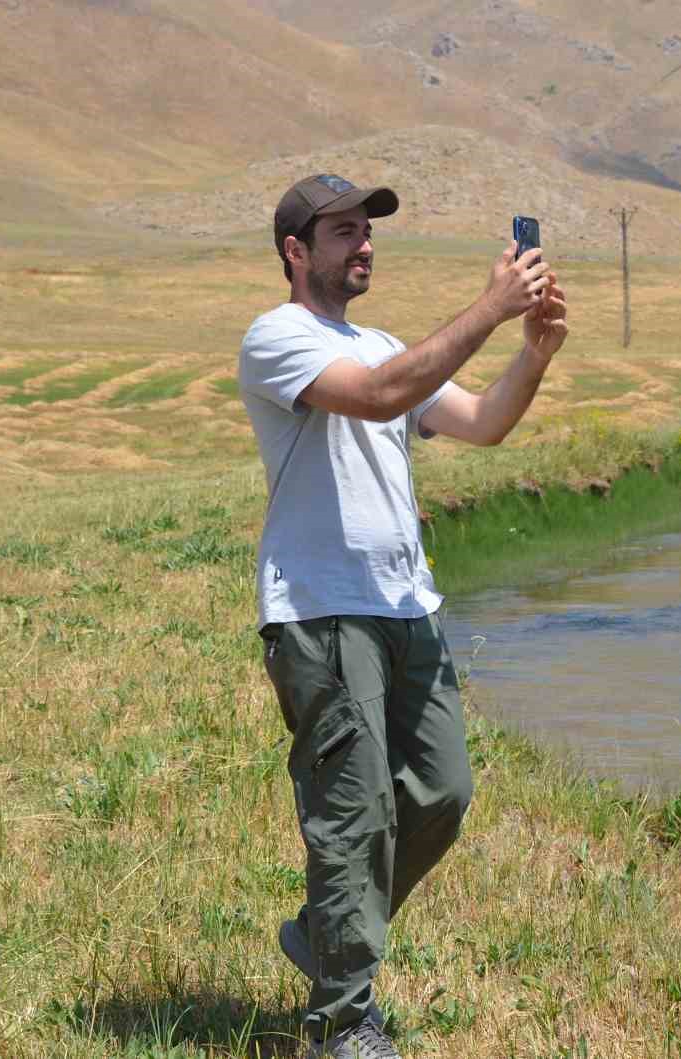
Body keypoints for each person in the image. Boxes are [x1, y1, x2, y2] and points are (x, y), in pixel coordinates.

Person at [237, 173, 568, 1059]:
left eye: (368, 230)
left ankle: (325, 931)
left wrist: (532, 350)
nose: (364, 244)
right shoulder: (277, 338)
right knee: (354, 815)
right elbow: (381, 395)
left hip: (405, 604)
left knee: (442, 792)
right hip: (320, 611)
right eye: (344, 231)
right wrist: (490, 308)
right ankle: (342, 1022)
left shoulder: (385, 342)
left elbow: (485, 421)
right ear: (296, 252)